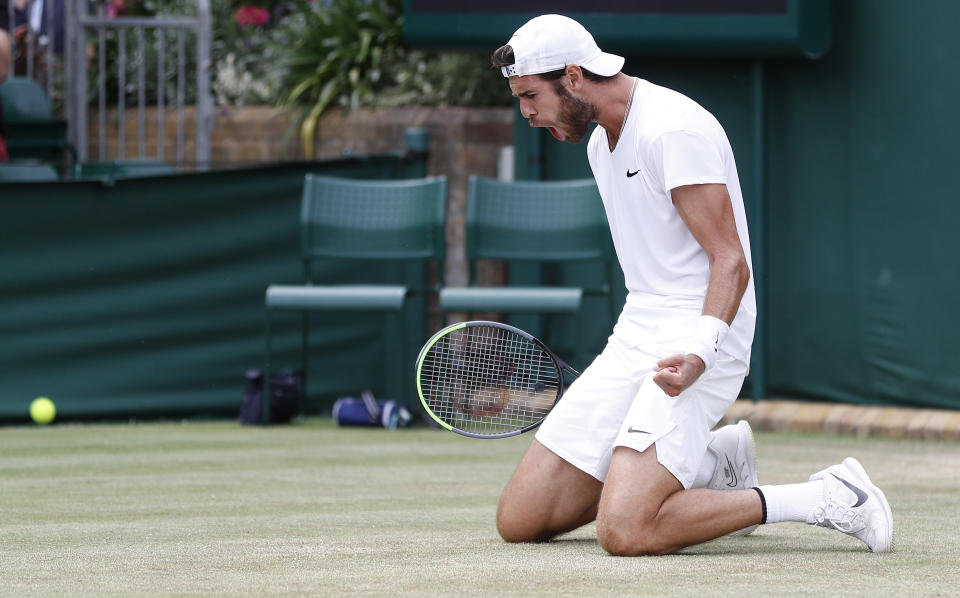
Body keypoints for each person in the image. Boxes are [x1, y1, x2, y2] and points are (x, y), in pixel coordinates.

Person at [491, 14, 893, 555]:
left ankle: (827, 495)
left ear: (573, 76)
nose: (527, 113)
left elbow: (731, 261)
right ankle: (711, 464)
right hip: (638, 330)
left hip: (705, 333)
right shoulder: (597, 145)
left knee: (626, 531)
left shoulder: (671, 128)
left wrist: (701, 351)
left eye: (531, 96)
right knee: (521, 519)